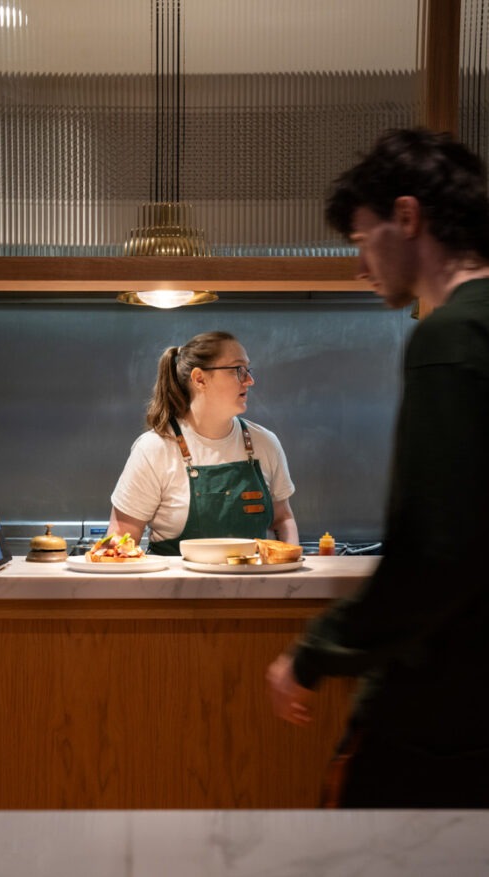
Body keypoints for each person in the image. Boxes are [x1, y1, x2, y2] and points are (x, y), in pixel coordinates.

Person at [266, 127, 489, 808]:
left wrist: (315, 654)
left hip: (451, 709)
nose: (361, 266)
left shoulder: (451, 336)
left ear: (409, 217)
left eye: (363, 241)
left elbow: (438, 548)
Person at [108, 330, 299, 555]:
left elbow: (283, 519)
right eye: (238, 370)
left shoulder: (264, 443)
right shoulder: (154, 449)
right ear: (199, 379)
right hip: (174, 589)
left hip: (254, 588)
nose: (249, 380)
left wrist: (290, 561)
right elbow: (121, 535)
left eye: (248, 370)